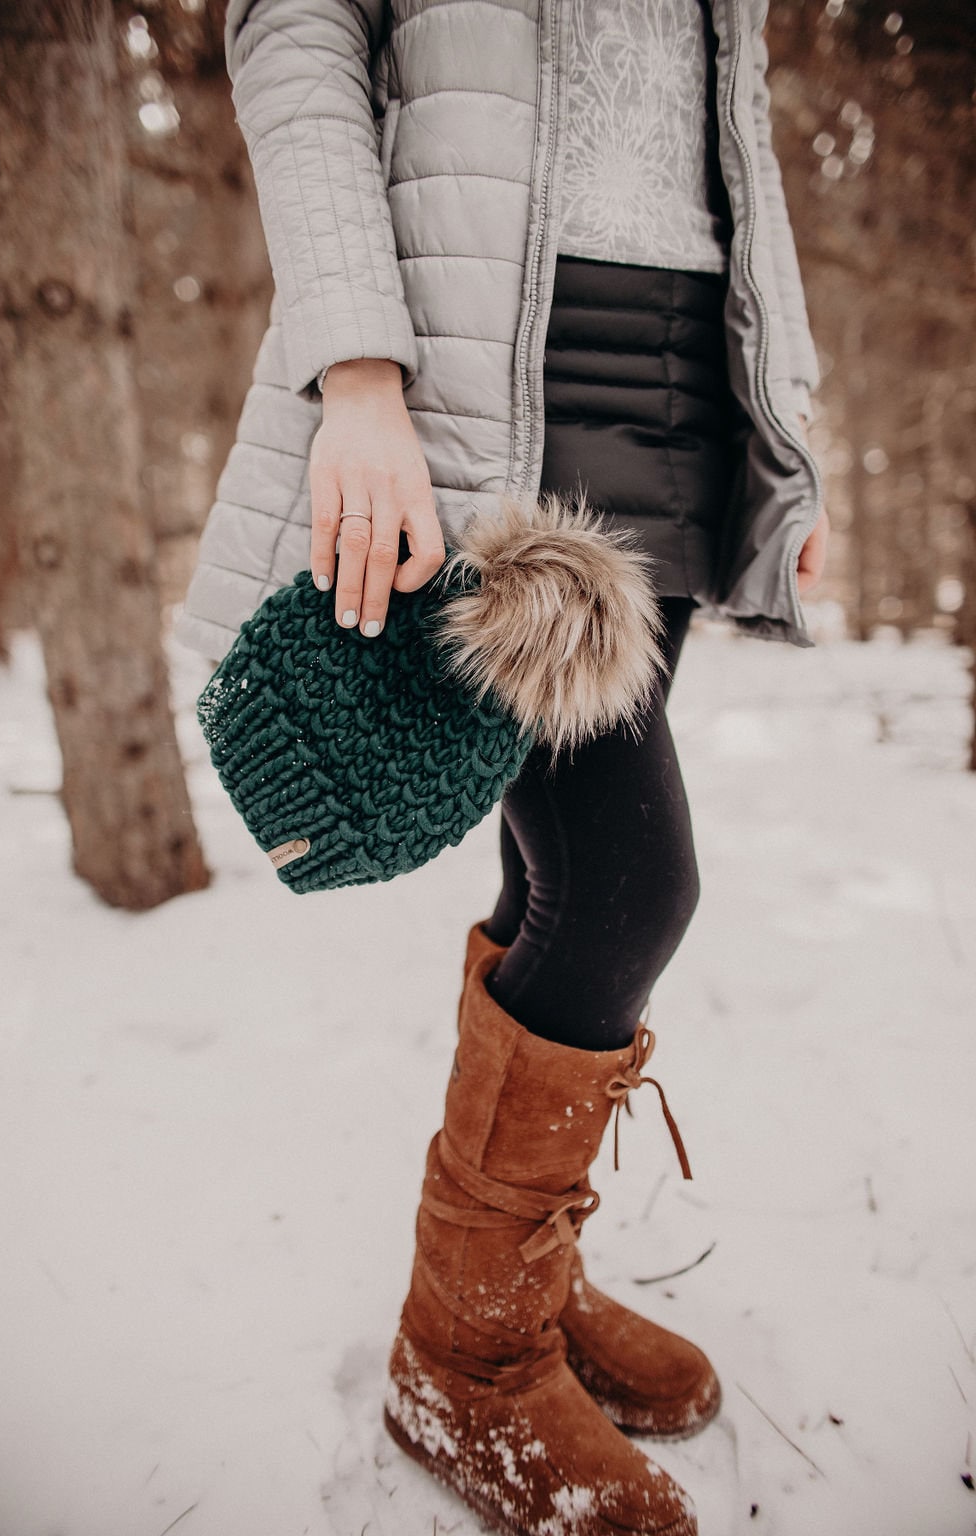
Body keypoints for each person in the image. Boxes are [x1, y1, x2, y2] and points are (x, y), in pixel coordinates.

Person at [175, 0, 830, 1530]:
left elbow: (724, 123)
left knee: (551, 871)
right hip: (487, 382)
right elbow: (294, 27)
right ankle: (462, 1359)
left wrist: (777, 416)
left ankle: (512, 1287)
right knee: (629, 888)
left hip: (673, 389)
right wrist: (353, 367)